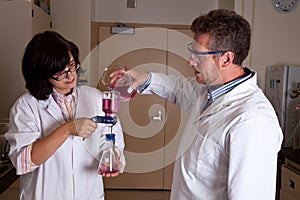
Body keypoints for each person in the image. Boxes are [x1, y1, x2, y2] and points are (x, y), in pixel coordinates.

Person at [113, 9, 283, 200]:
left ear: (226, 58)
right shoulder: (208, 90)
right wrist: (144, 78)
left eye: (198, 55)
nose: (190, 61)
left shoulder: (253, 121)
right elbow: (179, 88)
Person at [5, 31, 125, 200]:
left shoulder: (95, 97)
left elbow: (115, 138)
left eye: (71, 64)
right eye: (59, 71)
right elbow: (24, 161)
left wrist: (114, 157)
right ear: (42, 73)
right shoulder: (26, 106)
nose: (70, 75)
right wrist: (68, 129)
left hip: (89, 193)